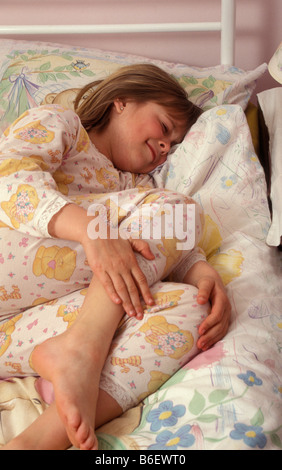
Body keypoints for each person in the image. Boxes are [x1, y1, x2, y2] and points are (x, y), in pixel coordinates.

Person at [0, 64, 231, 450]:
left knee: (191, 310)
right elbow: (9, 178)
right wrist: (94, 231)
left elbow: (164, 244)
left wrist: (202, 272)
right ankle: (80, 349)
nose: (164, 149)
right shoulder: (63, 125)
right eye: (163, 128)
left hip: (13, 332)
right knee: (180, 210)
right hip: (10, 257)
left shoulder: (137, 188)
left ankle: (36, 442)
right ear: (121, 102)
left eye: (173, 147)